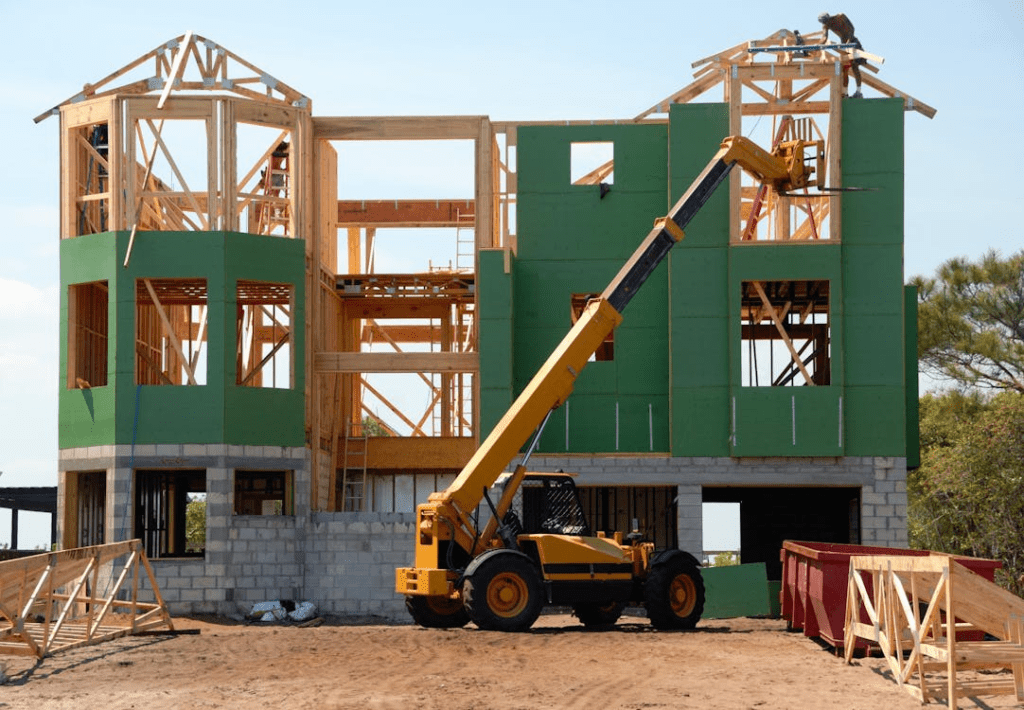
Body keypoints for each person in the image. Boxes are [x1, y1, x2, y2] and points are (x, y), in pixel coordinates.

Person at [819, 12, 864, 98]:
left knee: (855, 66)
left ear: (829, 18)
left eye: (827, 21)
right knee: (845, 69)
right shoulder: (825, 26)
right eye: (825, 23)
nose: (826, 24)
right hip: (844, 45)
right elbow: (824, 38)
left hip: (853, 42)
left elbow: (852, 29)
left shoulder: (840, 17)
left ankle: (858, 92)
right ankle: (845, 93)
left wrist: (848, 42)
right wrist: (818, 45)